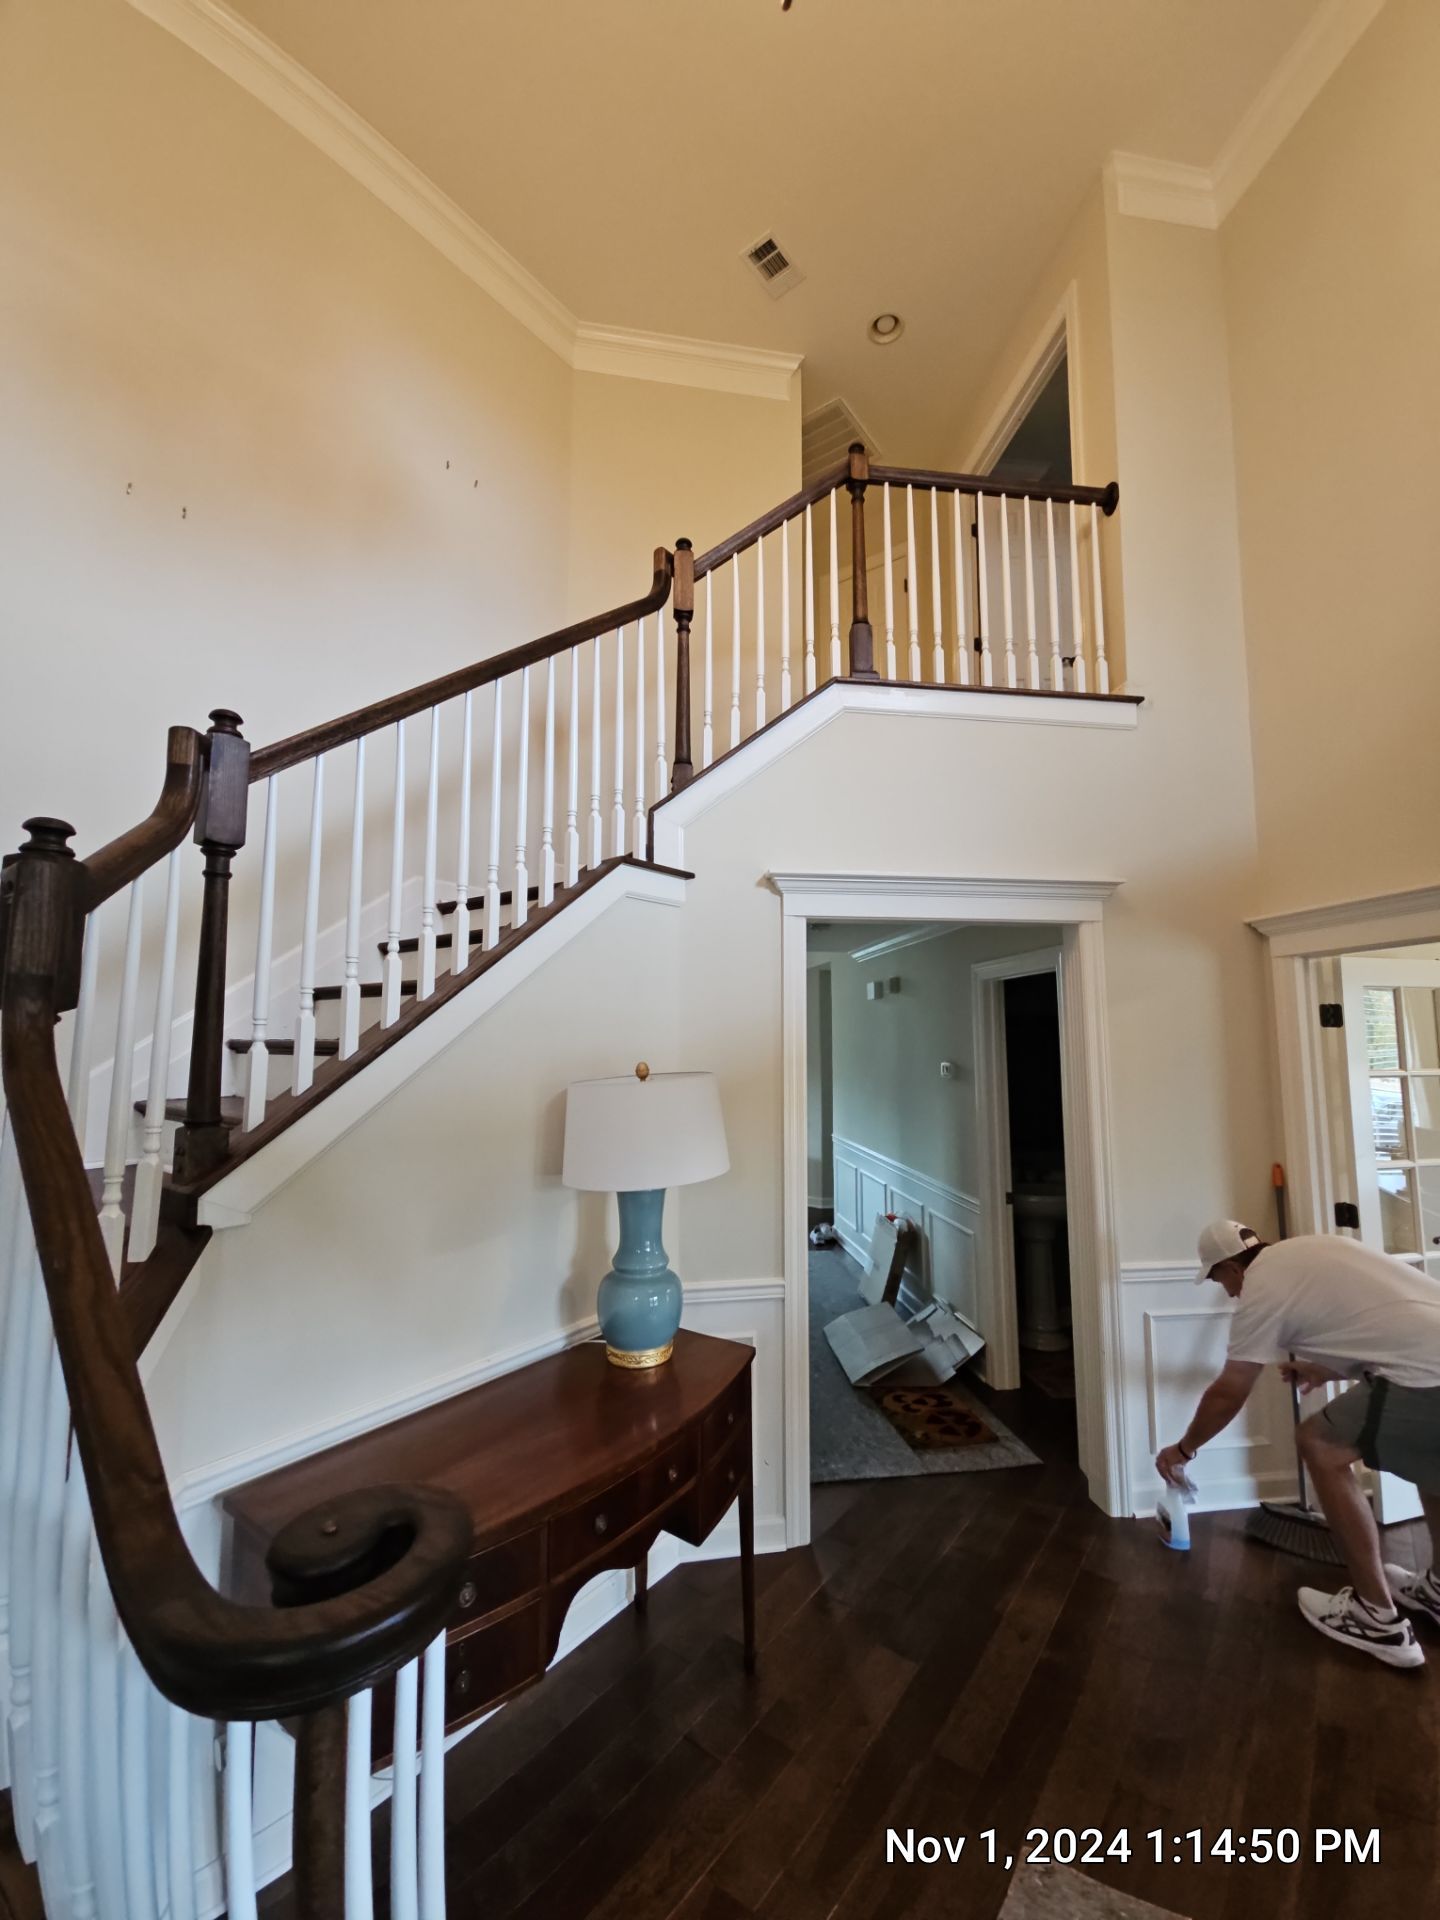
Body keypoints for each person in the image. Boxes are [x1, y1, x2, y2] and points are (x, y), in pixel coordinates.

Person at [1155, 1219, 1440, 1669]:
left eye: (1218, 1279)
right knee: (1432, 1464)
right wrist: (1329, 1370)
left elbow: (1230, 1391)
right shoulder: (1308, 1251)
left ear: (1232, 1267)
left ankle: (1376, 1618)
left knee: (1319, 1444)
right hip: (1431, 1358)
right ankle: (1437, 1591)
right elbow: (1386, 1323)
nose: (1226, 1292)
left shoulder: (1261, 1289)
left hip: (1427, 1375)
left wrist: (1184, 1449)